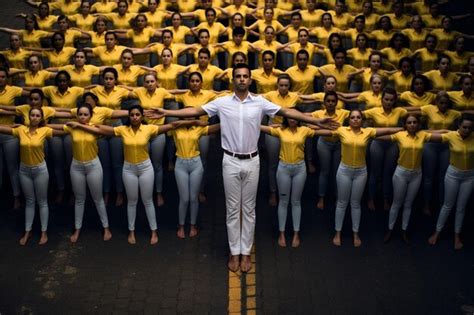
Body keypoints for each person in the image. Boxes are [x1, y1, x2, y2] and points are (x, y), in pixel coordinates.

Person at [146, 64, 338, 272]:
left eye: (245, 76)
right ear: (232, 79)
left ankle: (245, 252)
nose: (242, 79)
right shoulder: (221, 102)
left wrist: (317, 121)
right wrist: (165, 111)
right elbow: (195, 110)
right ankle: (234, 251)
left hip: (253, 160)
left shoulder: (260, 102)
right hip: (230, 161)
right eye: (238, 76)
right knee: (231, 210)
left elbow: (286, 111)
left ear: (250, 79)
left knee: (248, 210)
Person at [71, 105, 175, 245]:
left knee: (147, 200)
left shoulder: (149, 129)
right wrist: (84, 125)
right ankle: (131, 232)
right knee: (132, 201)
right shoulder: (122, 130)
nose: (134, 117)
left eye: (137, 114)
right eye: (132, 115)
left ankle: (154, 231)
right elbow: (103, 129)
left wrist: (192, 122)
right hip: (129, 169)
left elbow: (172, 125)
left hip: (145, 168)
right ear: (129, 117)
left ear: (141, 116)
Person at [312, 109, 402, 247]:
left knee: (355, 203)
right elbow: (322, 131)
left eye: (358, 117)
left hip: (361, 172)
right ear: (349, 120)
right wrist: (304, 129)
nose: (355, 119)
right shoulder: (342, 130)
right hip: (344, 171)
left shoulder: (368, 131)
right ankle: (338, 232)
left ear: (362, 119)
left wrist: (403, 128)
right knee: (342, 203)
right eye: (353, 117)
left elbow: (387, 130)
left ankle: (355, 233)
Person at [0, 108, 64, 245]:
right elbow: (2, 129)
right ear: (28, 117)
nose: (34, 117)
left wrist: (82, 126)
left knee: (42, 202)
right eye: (32, 115)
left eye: (37, 116)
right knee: (29, 201)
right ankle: (27, 232)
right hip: (24, 170)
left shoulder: (45, 131)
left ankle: (44, 232)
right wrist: (11, 126)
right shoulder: (20, 130)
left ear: (41, 118)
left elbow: (65, 131)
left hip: (40, 170)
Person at [377, 114, 443, 243]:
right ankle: (390, 229)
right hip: (401, 173)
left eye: (414, 122)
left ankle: (404, 230)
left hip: (416, 174)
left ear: (418, 124)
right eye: (409, 123)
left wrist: (455, 132)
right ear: (405, 125)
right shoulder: (400, 135)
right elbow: (380, 136)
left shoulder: (423, 135)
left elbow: (440, 134)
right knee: (397, 203)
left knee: (408, 204)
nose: (412, 124)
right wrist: (368, 133)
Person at [53, 103, 112, 243]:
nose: (83, 117)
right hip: (77, 166)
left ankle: (106, 228)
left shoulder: (94, 127)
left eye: (86, 114)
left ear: (91, 116)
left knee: (98, 198)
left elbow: (108, 131)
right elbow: (56, 127)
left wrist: (79, 125)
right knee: (79, 199)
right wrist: (41, 124)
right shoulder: (72, 128)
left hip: (93, 166)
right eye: (80, 114)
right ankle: (77, 229)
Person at [260, 117, 315, 248]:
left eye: (295, 117)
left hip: (300, 169)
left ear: (298, 119)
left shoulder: (305, 130)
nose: (292, 119)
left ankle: (296, 234)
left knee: (296, 201)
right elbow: (263, 128)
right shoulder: (280, 130)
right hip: (283, 168)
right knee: (283, 202)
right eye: (289, 117)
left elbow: (320, 131)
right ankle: (282, 233)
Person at [428, 116, 474, 250]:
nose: (467, 130)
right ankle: (437, 233)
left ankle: (457, 236)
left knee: (461, 207)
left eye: (470, 128)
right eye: (464, 127)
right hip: (453, 174)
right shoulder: (451, 136)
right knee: (447, 205)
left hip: (470, 176)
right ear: (459, 126)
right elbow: (428, 135)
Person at [170, 117, 220, 239]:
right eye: (185, 115)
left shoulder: (198, 129)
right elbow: (162, 127)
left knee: (193, 198)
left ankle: (193, 225)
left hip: (196, 164)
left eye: (191, 116)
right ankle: (181, 225)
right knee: (184, 198)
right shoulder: (175, 128)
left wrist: (197, 122)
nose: (188, 118)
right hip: (180, 163)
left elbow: (217, 127)